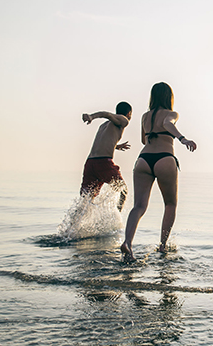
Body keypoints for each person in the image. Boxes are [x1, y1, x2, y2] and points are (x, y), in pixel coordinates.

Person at [120, 82, 196, 260]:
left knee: (139, 206)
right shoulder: (171, 114)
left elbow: (143, 140)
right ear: (168, 97)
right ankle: (162, 246)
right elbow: (167, 123)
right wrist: (182, 139)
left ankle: (127, 243)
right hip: (165, 158)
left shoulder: (145, 116)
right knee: (170, 204)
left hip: (143, 161)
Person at [80, 102, 133, 211]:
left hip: (90, 163)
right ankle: (116, 219)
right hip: (103, 163)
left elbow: (103, 143)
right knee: (123, 190)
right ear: (129, 113)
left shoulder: (104, 125)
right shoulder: (124, 120)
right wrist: (91, 117)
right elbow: (107, 114)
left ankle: (73, 225)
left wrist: (116, 146)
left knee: (86, 199)